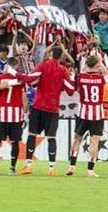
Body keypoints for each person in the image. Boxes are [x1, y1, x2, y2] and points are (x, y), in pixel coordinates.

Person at [20, 45, 73, 175]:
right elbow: (71, 91)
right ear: (61, 56)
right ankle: (51, 168)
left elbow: (30, 78)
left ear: (50, 54)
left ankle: (28, 166)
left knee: (32, 135)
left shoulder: (43, 65)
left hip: (38, 106)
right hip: (53, 108)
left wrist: (15, 74)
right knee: (51, 138)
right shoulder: (63, 70)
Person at [68, 54, 108, 177]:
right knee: (94, 142)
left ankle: (72, 166)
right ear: (97, 66)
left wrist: (89, 63)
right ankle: (90, 170)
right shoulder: (101, 78)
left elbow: (83, 69)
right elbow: (107, 73)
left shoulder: (81, 77)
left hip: (83, 113)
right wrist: (101, 61)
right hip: (97, 114)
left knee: (77, 139)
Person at [0, 57, 26, 175]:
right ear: (16, 66)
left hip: (2, 114)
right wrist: (25, 114)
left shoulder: (0, 78)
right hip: (16, 114)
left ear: (7, 65)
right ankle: (12, 168)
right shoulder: (20, 79)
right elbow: (24, 98)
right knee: (15, 142)